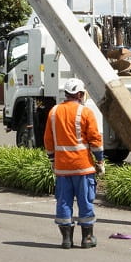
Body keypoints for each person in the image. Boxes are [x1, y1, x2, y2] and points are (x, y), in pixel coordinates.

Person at [43, 77, 104, 249]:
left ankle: (66, 240)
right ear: (79, 94)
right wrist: (100, 159)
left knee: (63, 202)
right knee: (85, 201)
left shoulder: (54, 112)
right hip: (82, 167)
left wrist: (52, 159)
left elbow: (48, 140)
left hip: (62, 168)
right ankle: (87, 239)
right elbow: (95, 139)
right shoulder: (85, 112)